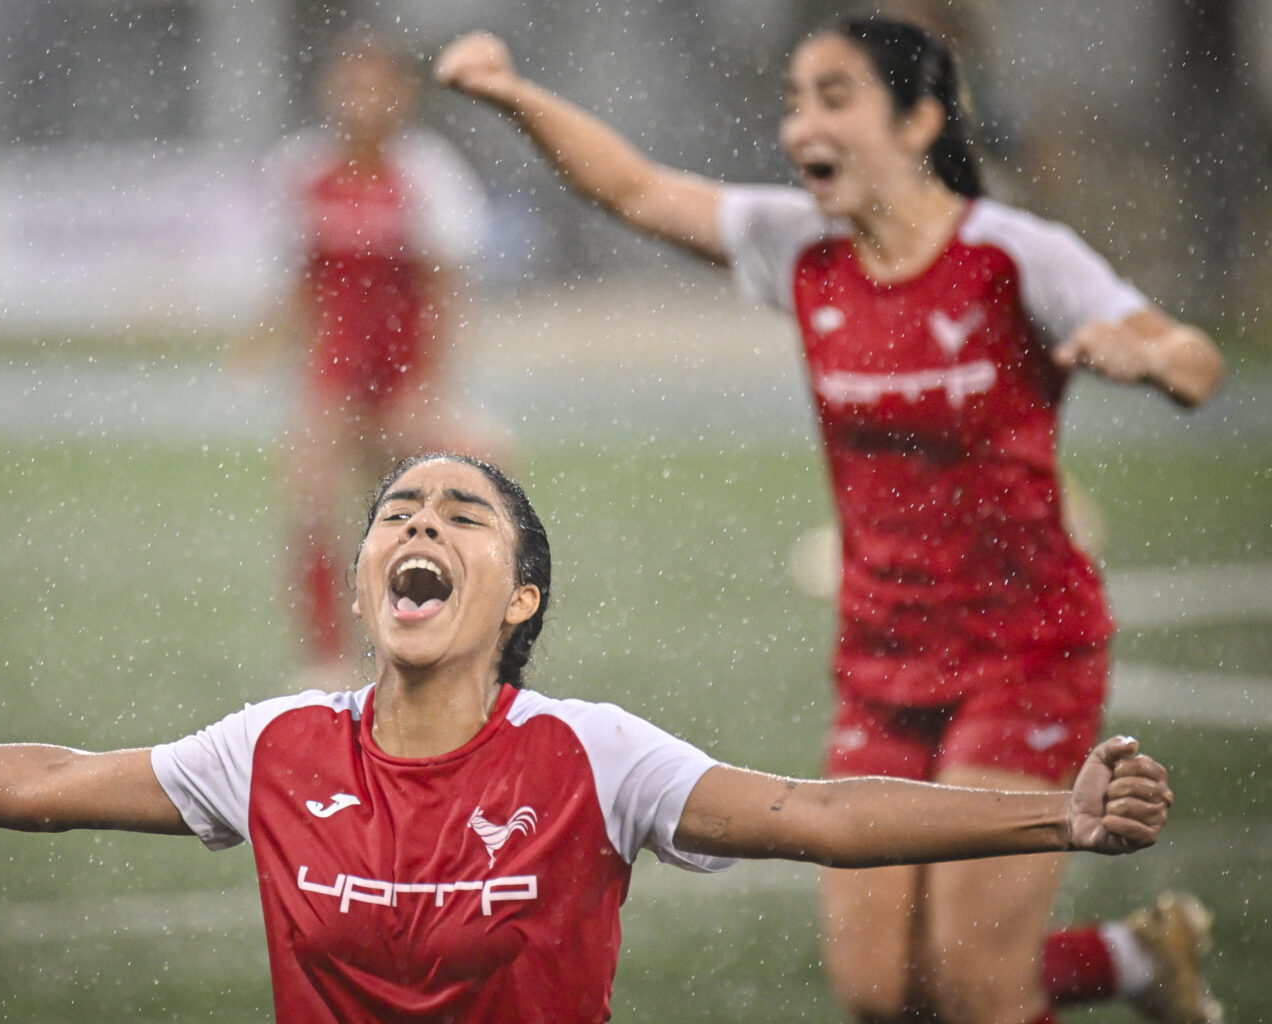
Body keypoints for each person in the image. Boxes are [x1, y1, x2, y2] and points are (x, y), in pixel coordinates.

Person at [0, 452, 1174, 1024]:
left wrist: (1058, 816)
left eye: (463, 514)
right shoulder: (277, 746)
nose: (418, 522)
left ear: (524, 596)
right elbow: (65, 784)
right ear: (372, 575)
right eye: (396, 509)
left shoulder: (591, 756)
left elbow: (818, 817)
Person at [433, 17, 1225, 1024]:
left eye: (834, 96)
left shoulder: (1014, 254)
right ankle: (1130, 957)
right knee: (878, 990)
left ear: (921, 119)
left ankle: (1103, 965)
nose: (802, 122)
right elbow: (631, 188)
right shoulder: (799, 247)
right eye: (795, 99)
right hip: (882, 654)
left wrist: (1152, 356)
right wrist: (510, 92)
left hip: (1027, 649)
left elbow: (1196, 358)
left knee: (975, 986)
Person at [253, 30, 508, 681]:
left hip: (403, 374)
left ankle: (449, 640)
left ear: (403, 94)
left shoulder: (429, 174)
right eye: (350, 83)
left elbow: (447, 289)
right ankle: (327, 659)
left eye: (376, 84)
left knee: (451, 491)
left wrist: (431, 385)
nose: (362, 99)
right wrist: (269, 342)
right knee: (310, 497)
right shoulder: (300, 171)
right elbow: (298, 278)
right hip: (333, 372)